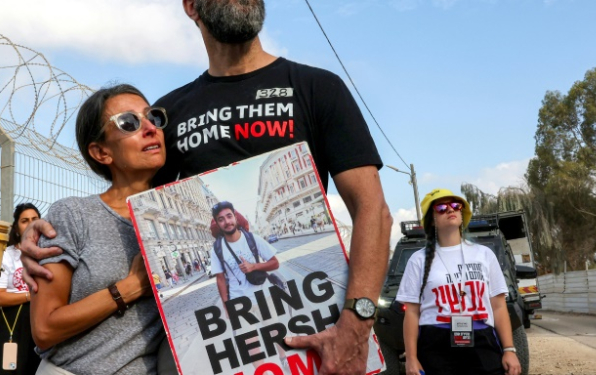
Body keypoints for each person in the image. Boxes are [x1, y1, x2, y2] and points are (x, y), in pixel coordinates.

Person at [20, 1, 393, 373]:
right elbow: (132, 203)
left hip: (308, 340)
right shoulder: (168, 115)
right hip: (214, 350)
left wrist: (357, 323)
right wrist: (40, 233)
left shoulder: (318, 88)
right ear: (191, 7)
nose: (146, 127)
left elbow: (372, 211)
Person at [29, 84, 173, 374]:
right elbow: (44, 328)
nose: (149, 128)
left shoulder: (180, 218)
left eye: (153, 117)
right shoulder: (74, 214)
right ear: (101, 152)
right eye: (129, 123)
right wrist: (131, 287)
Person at [395, 189, 521, 375]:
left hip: (481, 339)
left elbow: (498, 306)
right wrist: (412, 359)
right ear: (431, 219)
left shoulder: (484, 255)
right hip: (435, 342)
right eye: (441, 207)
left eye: (455, 205)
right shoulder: (418, 260)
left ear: (462, 213)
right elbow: (412, 313)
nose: (450, 210)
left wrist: (509, 350)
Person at [209, 201, 287, 369]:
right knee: (250, 344)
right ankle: (262, 371)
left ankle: (284, 360)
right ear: (218, 223)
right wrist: (226, 305)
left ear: (235, 218)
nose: (227, 221)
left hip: (263, 295)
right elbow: (220, 279)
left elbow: (275, 263)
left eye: (229, 216)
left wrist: (254, 266)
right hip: (239, 302)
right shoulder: (217, 249)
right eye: (221, 219)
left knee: (275, 332)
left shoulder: (252, 239)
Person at [0, 203, 42, 375]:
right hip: (14, 323)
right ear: (17, 228)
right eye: (24, 220)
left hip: (42, 320)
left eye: (35, 219)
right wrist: (31, 295)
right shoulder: (7, 255)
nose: (30, 224)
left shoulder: (51, 254)